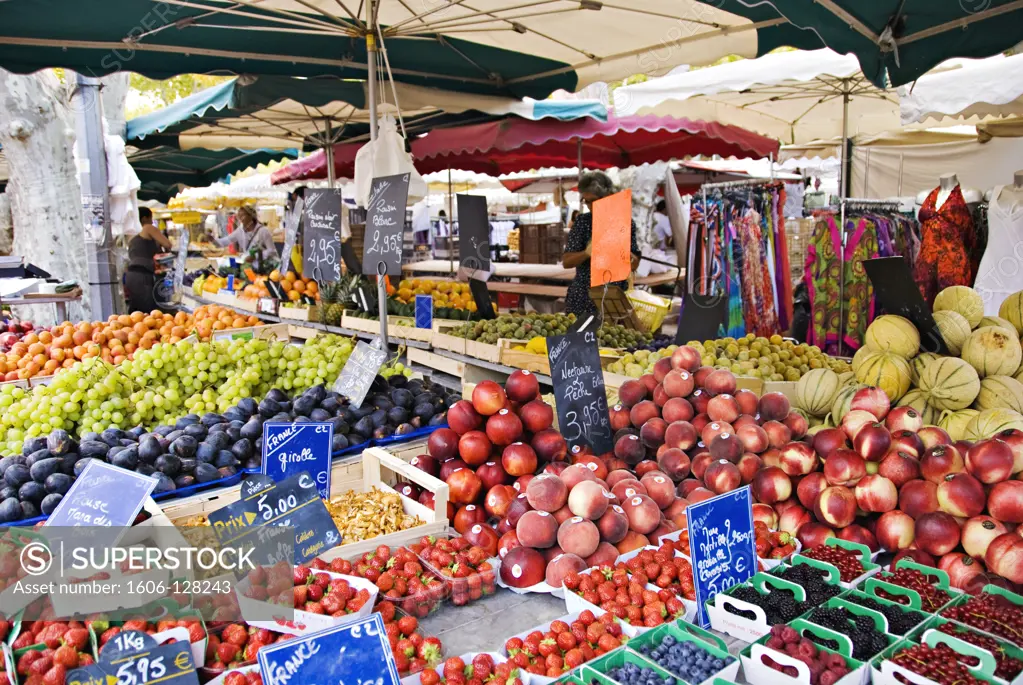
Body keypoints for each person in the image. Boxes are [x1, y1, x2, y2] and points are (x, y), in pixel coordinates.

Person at [562, 171, 641, 315]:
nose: (590, 206)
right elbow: (567, 262)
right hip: (584, 296)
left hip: (614, 298)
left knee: (613, 336)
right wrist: (587, 253)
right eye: (586, 201)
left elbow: (635, 264)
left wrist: (628, 257)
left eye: (594, 201)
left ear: (608, 197)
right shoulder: (582, 223)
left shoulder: (625, 223)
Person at [125, 207, 172, 313]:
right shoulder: (148, 228)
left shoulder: (131, 232)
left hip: (131, 276)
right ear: (145, 218)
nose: (151, 221)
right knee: (148, 311)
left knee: (137, 310)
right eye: (151, 218)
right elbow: (168, 244)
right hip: (143, 275)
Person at [209, 205, 277, 262]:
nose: (240, 219)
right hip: (251, 267)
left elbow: (272, 251)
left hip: (266, 268)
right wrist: (211, 239)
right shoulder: (240, 231)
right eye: (239, 216)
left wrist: (255, 256)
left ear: (250, 216)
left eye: (242, 215)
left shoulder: (263, 231)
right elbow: (224, 242)